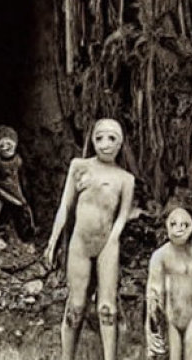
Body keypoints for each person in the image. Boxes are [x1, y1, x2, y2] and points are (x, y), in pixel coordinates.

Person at [45, 118, 135, 360]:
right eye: (99, 138)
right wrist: (53, 240)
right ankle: (67, 356)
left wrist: (113, 239)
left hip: (108, 244)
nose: (105, 144)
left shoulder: (125, 179)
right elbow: (65, 205)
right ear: (92, 140)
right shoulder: (79, 166)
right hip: (80, 244)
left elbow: (122, 215)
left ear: (121, 142)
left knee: (107, 307)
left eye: (112, 138)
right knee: (75, 304)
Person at [146, 205, 192, 360]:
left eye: (184, 225)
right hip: (169, 317)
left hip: (191, 319)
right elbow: (153, 295)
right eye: (173, 224)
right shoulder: (160, 256)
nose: (179, 230)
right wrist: (155, 332)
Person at [0, 124, 35, 237]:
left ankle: (26, 230)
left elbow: (23, 177)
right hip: (1, 188)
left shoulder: (19, 160)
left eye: (8, 144)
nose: (5, 147)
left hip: (16, 188)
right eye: (2, 145)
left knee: (22, 208)